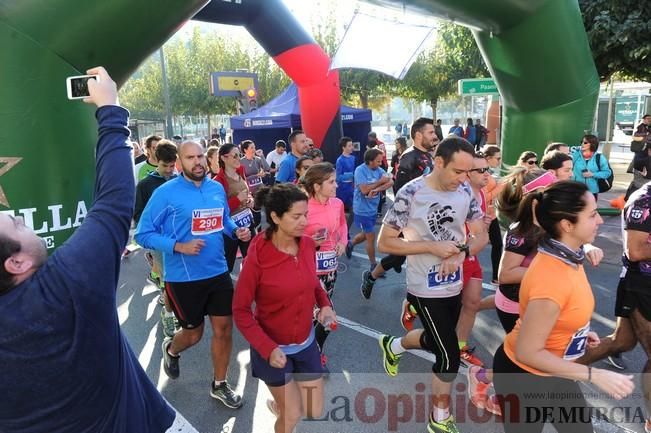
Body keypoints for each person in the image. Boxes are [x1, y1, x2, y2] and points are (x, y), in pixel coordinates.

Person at [0, 66, 191, 432]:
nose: (25, 221)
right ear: (16, 261)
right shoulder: (64, 286)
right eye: (17, 224)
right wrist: (111, 111)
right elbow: (113, 204)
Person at [492, 181, 634, 433]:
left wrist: (575, 333)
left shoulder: (568, 255)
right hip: (524, 376)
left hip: (556, 369)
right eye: (592, 215)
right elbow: (527, 352)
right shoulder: (552, 277)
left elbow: (564, 309)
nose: (600, 220)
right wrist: (595, 375)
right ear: (567, 225)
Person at [377, 136, 487, 433]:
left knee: (439, 340)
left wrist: (462, 252)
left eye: (468, 172)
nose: (464, 179)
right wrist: (431, 248)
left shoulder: (465, 190)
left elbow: (481, 235)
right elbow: (385, 241)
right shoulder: (411, 193)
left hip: (454, 282)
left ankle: (394, 345)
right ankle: (439, 418)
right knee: (449, 354)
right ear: (439, 163)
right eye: (458, 172)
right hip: (424, 286)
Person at [135, 141, 251, 409]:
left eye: (201, 156)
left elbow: (222, 220)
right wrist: (178, 246)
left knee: (224, 329)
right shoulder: (166, 193)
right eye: (190, 157)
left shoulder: (215, 188)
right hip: (183, 278)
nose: (197, 162)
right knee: (194, 334)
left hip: (218, 271)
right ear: (179, 161)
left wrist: (235, 231)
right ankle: (171, 349)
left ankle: (219, 384)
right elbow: (143, 234)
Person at [233, 183, 335, 433]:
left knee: (313, 408)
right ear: (276, 217)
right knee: (292, 415)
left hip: (306, 344)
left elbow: (314, 284)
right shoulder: (257, 255)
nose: (304, 222)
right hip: (272, 349)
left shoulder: (309, 245)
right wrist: (267, 348)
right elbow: (241, 311)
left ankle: (281, 405)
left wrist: (324, 305)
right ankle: (285, 410)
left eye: (306, 215)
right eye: (297, 216)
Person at [578, 179, 651, 431]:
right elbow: (636, 251)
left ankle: (553, 371)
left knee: (622, 342)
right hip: (642, 285)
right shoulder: (644, 200)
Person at [360, 118, 438, 297]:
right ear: (418, 135)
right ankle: (371, 277)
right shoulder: (409, 157)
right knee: (400, 255)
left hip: (428, 215)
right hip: (411, 217)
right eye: (431, 132)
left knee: (419, 254)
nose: (434, 136)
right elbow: (400, 190)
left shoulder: (428, 155)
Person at [302, 163, 348, 372]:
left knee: (319, 316)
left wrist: (342, 242)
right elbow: (290, 237)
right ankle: (313, 356)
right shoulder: (303, 207)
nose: (336, 185)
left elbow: (341, 225)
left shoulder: (337, 204)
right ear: (317, 186)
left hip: (330, 268)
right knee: (325, 315)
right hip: (308, 270)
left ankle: (311, 354)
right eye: (331, 182)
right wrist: (310, 241)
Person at [134, 139, 179, 338]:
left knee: (176, 277)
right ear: (155, 161)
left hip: (181, 240)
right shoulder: (145, 185)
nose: (169, 170)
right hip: (159, 241)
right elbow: (138, 214)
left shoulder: (181, 180)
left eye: (172, 165)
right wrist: (150, 238)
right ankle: (168, 312)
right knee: (167, 278)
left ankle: (173, 307)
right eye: (164, 165)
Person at [455, 152, 491, 367]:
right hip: (453, 259)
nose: (486, 174)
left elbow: (480, 233)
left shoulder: (483, 194)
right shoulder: (458, 196)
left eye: (487, 169)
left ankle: (460, 347)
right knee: (448, 311)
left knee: (472, 303)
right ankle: (412, 306)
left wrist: (484, 225)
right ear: (467, 174)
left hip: (471, 257)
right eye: (481, 170)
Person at [349, 148, 393, 271]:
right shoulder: (360, 170)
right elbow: (364, 190)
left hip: (373, 208)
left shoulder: (379, 170)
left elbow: (391, 182)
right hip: (362, 209)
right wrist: (380, 182)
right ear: (370, 161)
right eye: (378, 161)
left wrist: (377, 189)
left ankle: (351, 243)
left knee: (366, 234)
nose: (381, 164)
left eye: (381, 161)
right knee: (371, 236)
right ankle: (373, 265)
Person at [215, 143, 255, 273]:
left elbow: (248, 193)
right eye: (235, 156)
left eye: (239, 155)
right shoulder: (218, 181)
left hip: (247, 223)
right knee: (228, 264)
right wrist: (237, 199)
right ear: (224, 158)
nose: (239, 158)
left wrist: (251, 201)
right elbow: (219, 210)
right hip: (231, 228)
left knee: (252, 261)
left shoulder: (241, 171)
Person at [483, 145, 504, 285]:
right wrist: (500, 188)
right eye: (498, 158)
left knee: (497, 244)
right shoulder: (481, 172)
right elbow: (482, 197)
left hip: (491, 215)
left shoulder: (488, 172)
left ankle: (496, 277)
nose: (500, 161)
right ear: (488, 158)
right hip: (482, 216)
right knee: (472, 246)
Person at [571, 134, 612, 201]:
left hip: (592, 191)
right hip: (575, 190)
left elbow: (607, 173)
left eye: (585, 142)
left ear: (592, 144)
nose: (582, 144)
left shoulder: (599, 157)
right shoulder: (575, 155)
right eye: (581, 142)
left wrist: (593, 174)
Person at [335, 136, 356, 212]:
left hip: (351, 186)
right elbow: (338, 176)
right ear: (343, 147)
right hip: (342, 188)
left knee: (353, 208)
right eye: (349, 146)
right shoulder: (340, 160)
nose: (352, 147)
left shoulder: (353, 158)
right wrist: (350, 175)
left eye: (352, 145)